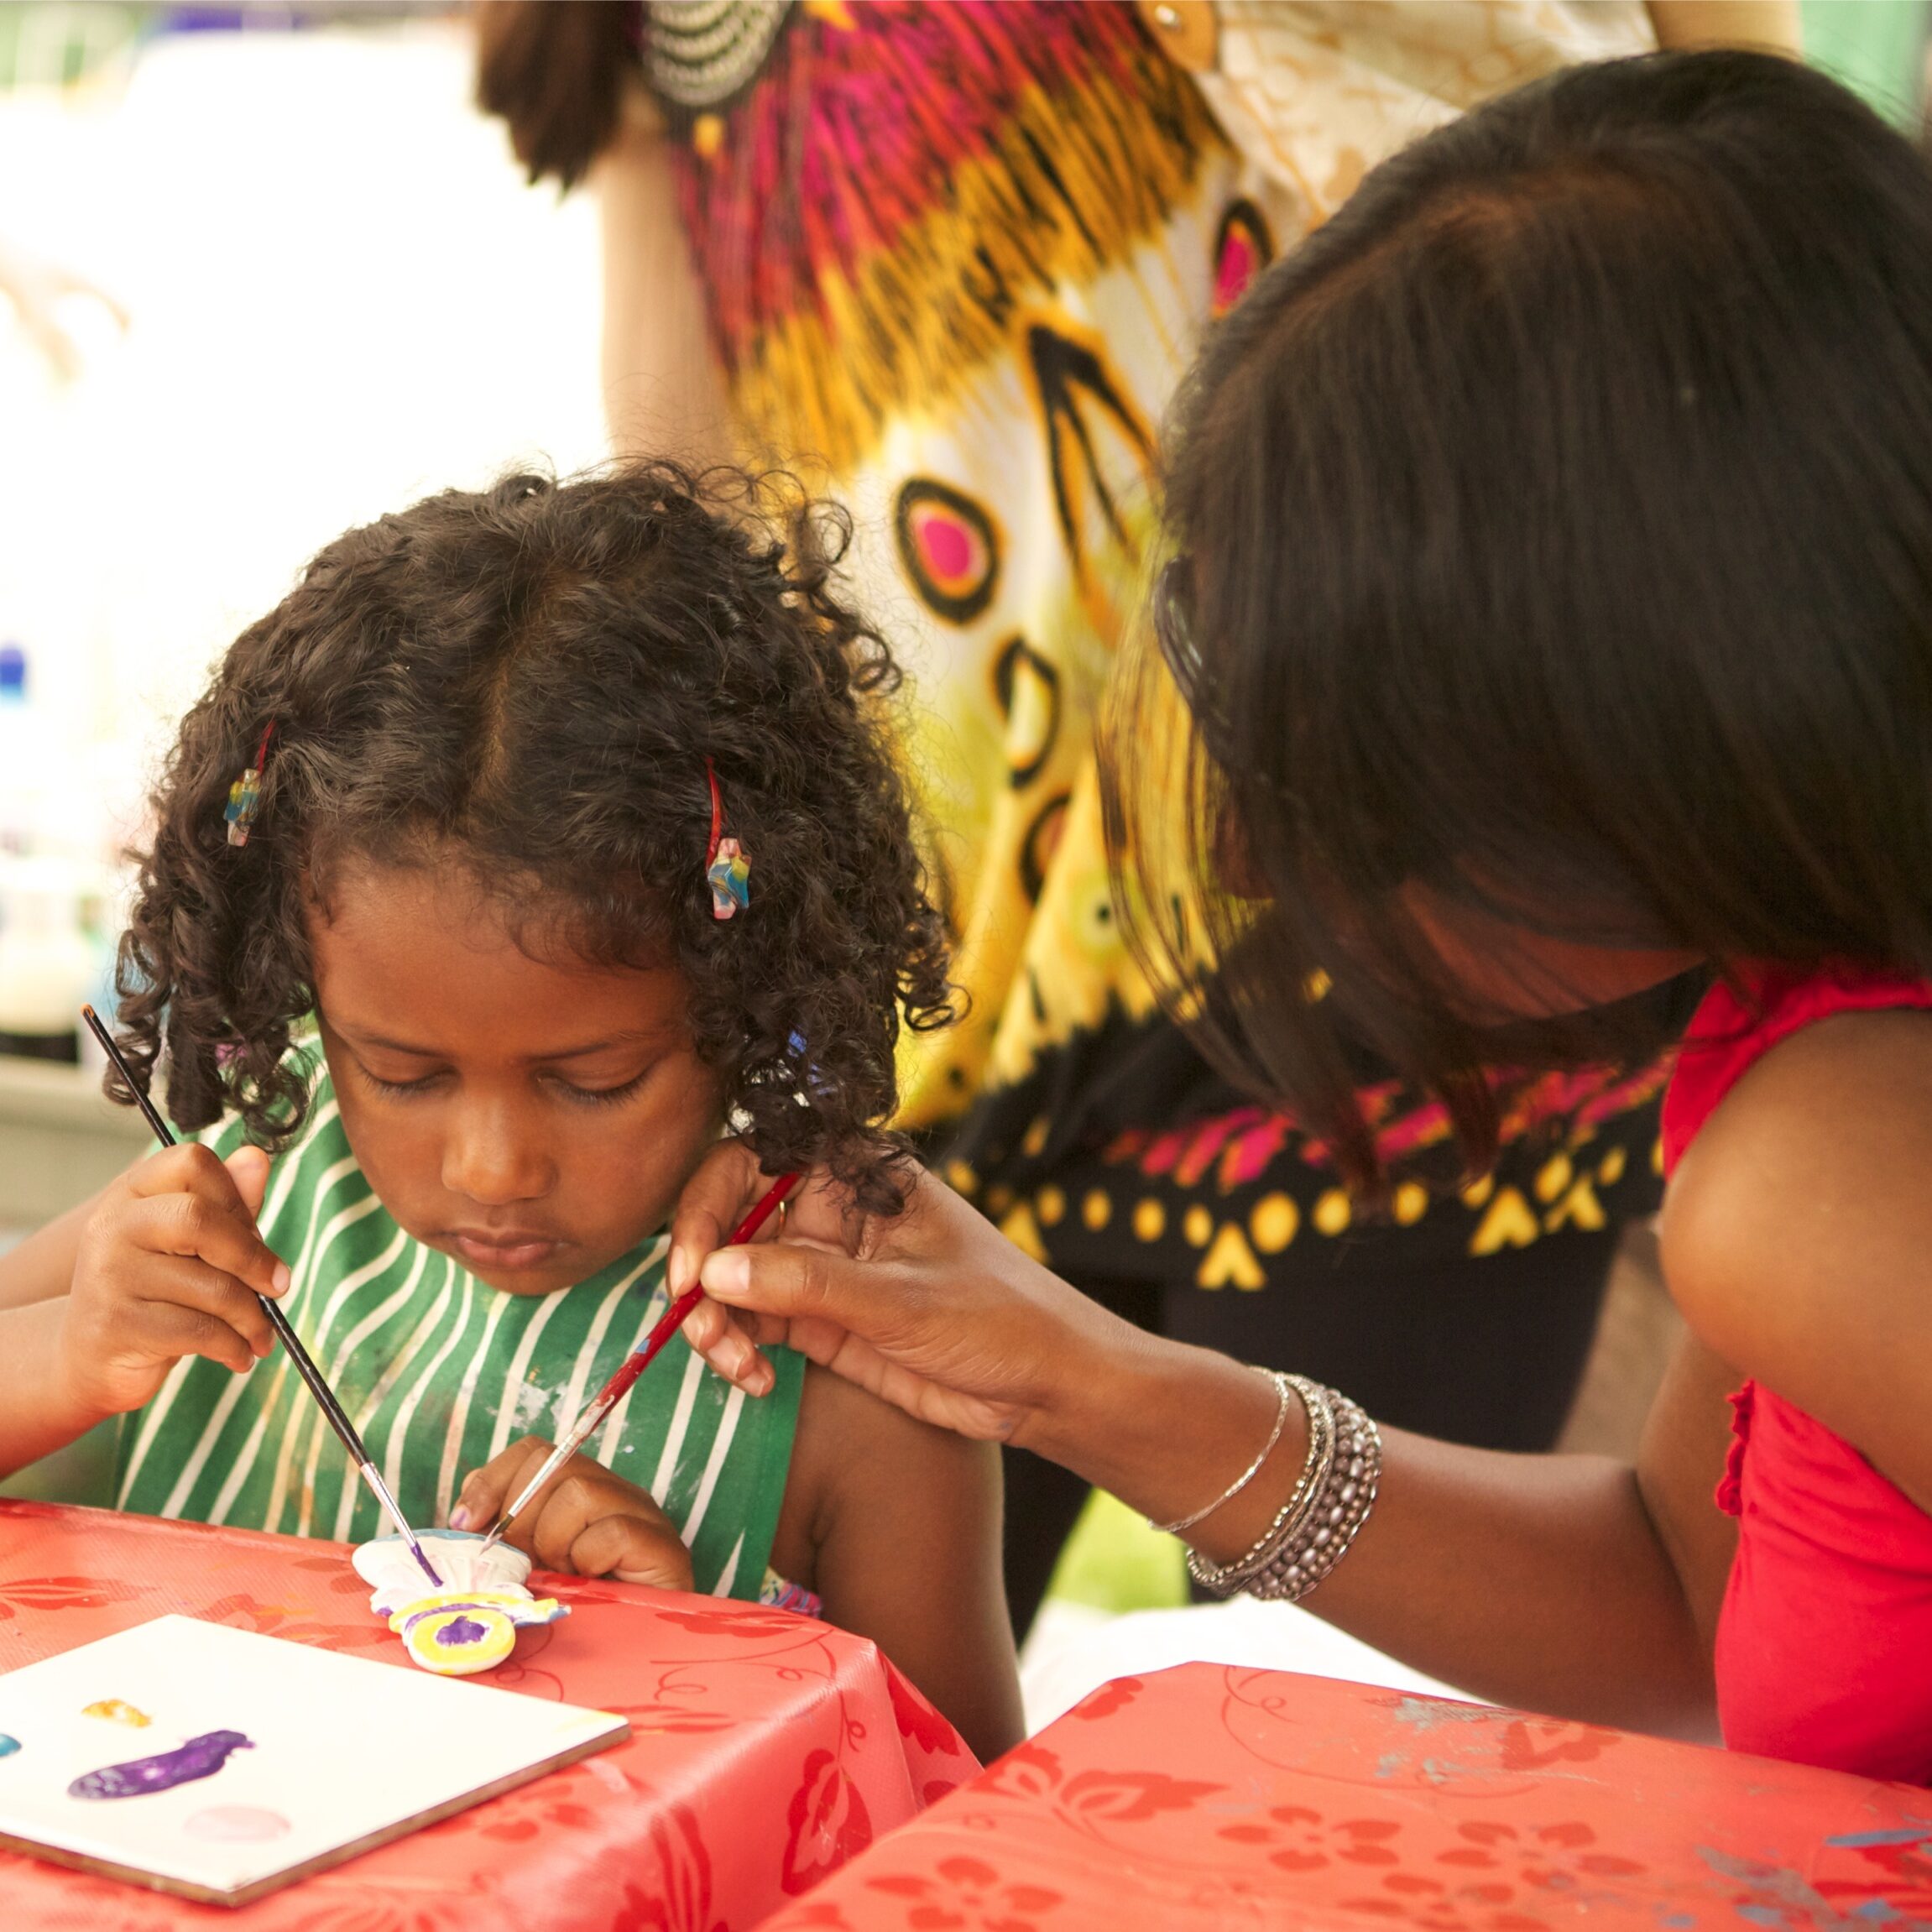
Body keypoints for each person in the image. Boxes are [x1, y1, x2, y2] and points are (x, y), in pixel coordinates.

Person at [671, 50, 1932, 1780]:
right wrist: (1066, 1372)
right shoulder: (1815, 1036)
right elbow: (1682, 1592)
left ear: (1627, 728)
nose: (1258, 863)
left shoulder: (1813, 1170)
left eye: (1354, 772)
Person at [478, 0, 1798, 1632]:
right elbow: (682, 447)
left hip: (1379, 858)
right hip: (960, 935)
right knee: (847, 1666)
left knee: (1360, 1694)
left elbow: (1729, 174)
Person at [0, 465, 1021, 1760]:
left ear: (746, 987)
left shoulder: (853, 1377)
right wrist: (64, 1355)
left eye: (592, 1081)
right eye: (400, 1072)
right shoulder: (250, 1201)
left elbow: (951, 1817)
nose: (489, 1168)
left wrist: (682, 1658)